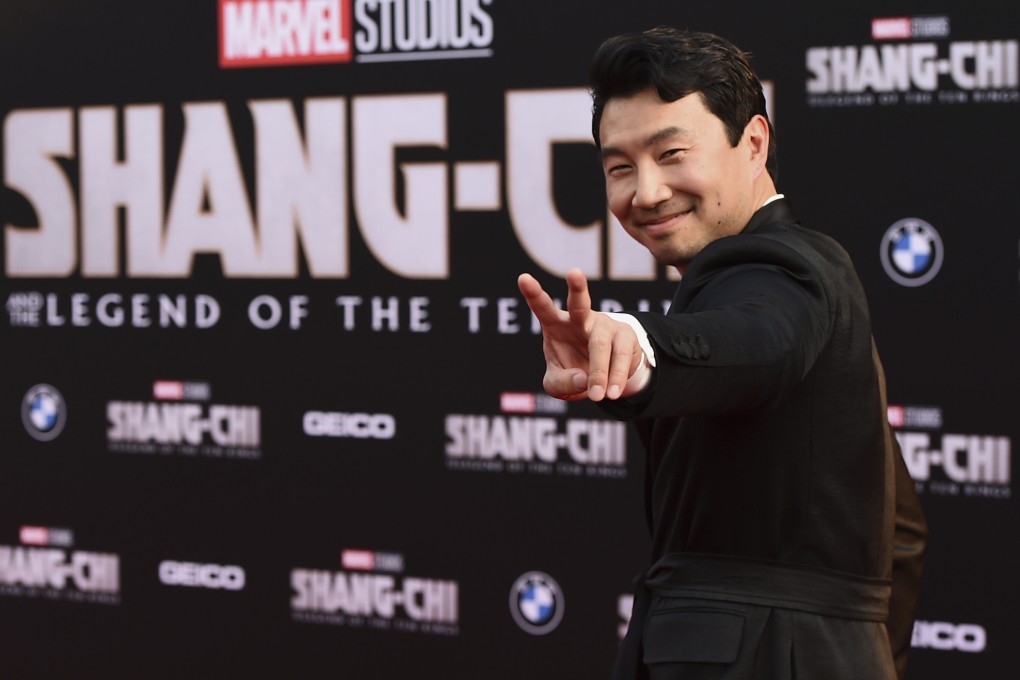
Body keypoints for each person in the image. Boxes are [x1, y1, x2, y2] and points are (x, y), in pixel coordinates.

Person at [517, 27, 928, 680]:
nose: (644, 192)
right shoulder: (749, 279)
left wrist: (644, 348)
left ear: (755, 142)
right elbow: (899, 530)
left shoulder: (783, 267)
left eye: (671, 153)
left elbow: (757, 340)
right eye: (619, 167)